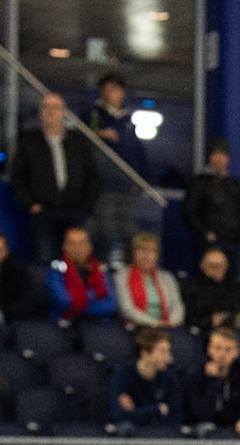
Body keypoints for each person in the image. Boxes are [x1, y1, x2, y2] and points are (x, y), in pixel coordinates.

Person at [9, 93, 103, 266]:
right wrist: (30, 204)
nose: (51, 112)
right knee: (45, 259)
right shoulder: (29, 142)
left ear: (64, 112)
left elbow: (93, 177)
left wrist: (86, 208)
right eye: (46, 107)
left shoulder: (79, 142)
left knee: (78, 260)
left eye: (55, 108)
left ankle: (75, 293)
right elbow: (17, 178)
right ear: (40, 112)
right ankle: (50, 291)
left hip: (75, 211)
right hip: (43, 211)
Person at [84, 72, 150, 265]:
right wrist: (98, 134)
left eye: (114, 89)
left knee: (128, 231)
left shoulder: (128, 121)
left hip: (128, 186)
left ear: (122, 92)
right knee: (103, 229)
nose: (110, 93)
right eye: (106, 89)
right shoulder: (93, 115)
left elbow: (138, 151)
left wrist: (143, 180)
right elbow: (81, 138)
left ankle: (129, 269)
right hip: (103, 186)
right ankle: (100, 269)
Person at [182, 140, 240, 278]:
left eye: (222, 155)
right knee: (210, 281)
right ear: (210, 157)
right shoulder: (199, 182)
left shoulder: (235, 184)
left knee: (234, 281)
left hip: (235, 244)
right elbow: (188, 212)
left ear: (228, 159)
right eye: (215, 154)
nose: (219, 159)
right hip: (212, 243)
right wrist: (205, 233)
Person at [182, 327, 240, 437]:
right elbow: (201, 415)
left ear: (236, 352)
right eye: (217, 348)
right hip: (202, 425)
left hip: (233, 424)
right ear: (209, 349)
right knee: (207, 427)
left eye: (228, 350)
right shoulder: (195, 374)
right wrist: (212, 381)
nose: (222, 354)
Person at [109, 326, 180, 431]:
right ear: (145, 353)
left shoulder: (169, 377)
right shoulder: (123, 374)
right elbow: (117, 415)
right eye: (162, 351)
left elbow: (174, 418)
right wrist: (157, 409)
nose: (168, 357)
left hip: (159, 438)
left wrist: (135, 412)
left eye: (168, 351)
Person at [115, 232, 185, 328]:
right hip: (136, 328)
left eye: (151, 251)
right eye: (141, 250)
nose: (146, 256)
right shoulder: (122, 276)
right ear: (133, 253)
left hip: (167, 328)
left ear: (157, 255)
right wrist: (154, 324)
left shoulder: (167, 277)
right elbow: (126, 309)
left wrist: (171, 323)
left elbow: (177, 306)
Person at [47, 226, 117, 321]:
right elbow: (65, 303)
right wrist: (95, 293)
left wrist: (78, 301)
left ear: (89, 247)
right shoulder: (56, 270)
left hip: (97, 326)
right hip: (67, 326)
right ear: (64, 246)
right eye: (72, 244)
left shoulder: (100, 270)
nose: (77, 249)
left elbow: (110, 305)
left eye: (82, 243)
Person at [184, 247, 240, 333]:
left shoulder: (236, 286)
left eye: (221, 266)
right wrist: (210, 321)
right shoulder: (192, 287)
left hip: (233, 331)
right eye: (212, 266)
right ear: (203, 266)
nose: (217, 269)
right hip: (203, 333)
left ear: (227, 266)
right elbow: (188, 318)